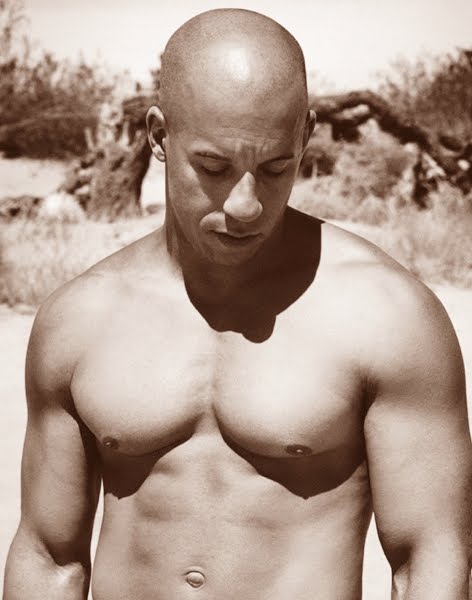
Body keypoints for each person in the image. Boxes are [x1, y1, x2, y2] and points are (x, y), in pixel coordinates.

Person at [3, 8, 471, 600]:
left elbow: (430, 559)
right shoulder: (80, 319)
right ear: (159, 137)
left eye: (275, 168)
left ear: (305, 135)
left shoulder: (389, 316)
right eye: (214, 167)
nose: (246, 205)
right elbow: (49, 557)